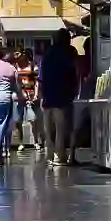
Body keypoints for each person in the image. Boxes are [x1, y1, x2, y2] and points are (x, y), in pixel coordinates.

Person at [38, 28, 80, 166]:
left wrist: (41, 95)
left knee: (49, 129)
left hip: (48, 95)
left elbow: (41, 77)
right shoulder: (69, 53)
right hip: (63, 95)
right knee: (62, 128)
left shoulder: (47, 55)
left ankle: (50, 156)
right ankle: (59, 156)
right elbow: (74, 72)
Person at [14, 48, 41, 153]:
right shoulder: (15, 67)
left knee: (33, 119)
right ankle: (21, 142)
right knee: (18, 121)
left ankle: (36, 141)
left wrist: (36, 94)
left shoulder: (32, 66)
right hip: (19, 97)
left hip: (30, 96)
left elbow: (36, 81)